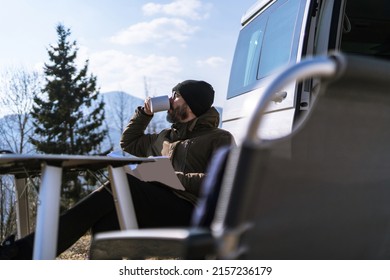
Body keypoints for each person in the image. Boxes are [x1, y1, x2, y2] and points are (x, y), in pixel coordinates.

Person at [0, 80, 235, 259]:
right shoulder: (166, 137)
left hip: (193, 213)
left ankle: (22, 253)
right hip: (159, 207)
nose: (170, 100)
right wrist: (144, 114)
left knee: (125, 185)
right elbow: (129, 142)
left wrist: (170, 177)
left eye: (176, 95)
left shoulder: (218, 138)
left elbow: (226, 182)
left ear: (191, 103)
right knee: (111, 212)